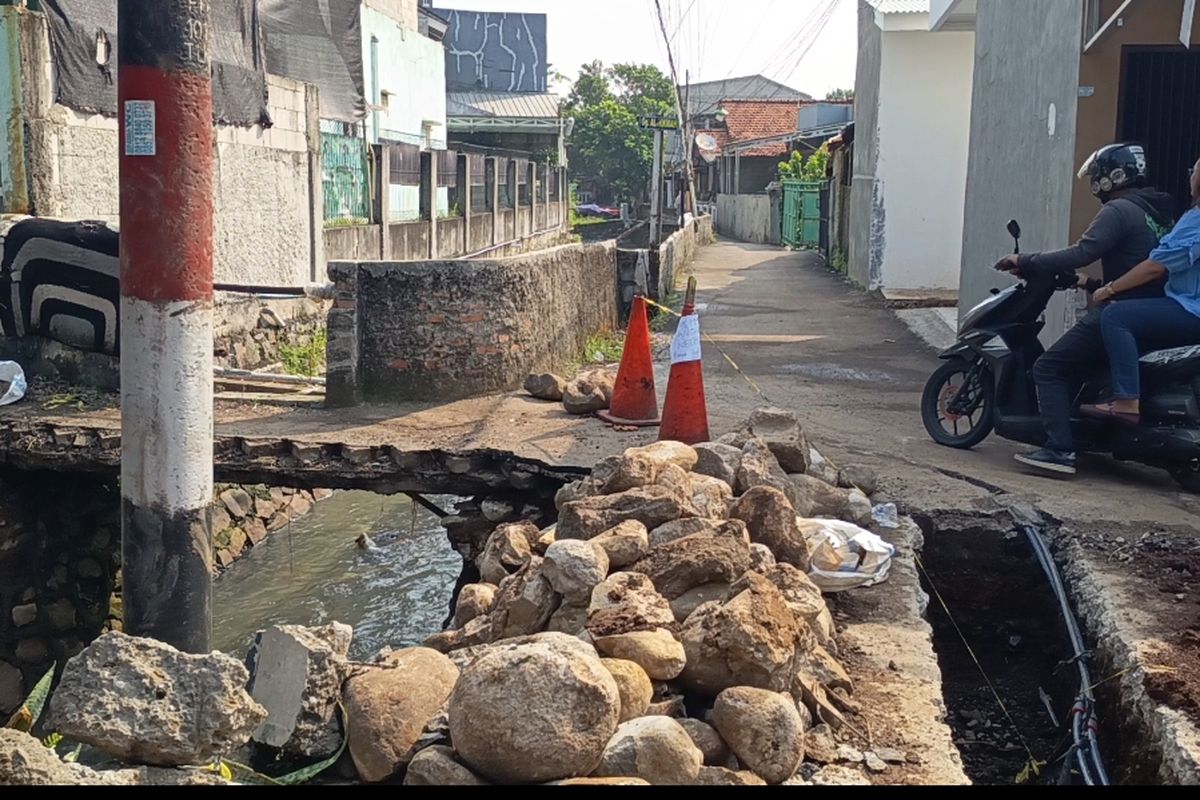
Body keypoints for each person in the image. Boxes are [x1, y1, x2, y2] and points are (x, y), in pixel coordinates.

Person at [995, 143, 1176, 476]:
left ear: (1113, 176)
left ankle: (1059, 450)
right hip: (1150, 310)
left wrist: (1025, 260)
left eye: (1098, 175)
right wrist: (1087, 284)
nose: (1095, 182)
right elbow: (1132, 268)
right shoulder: (1154, 213)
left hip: (1122, 313)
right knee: (1075, 366)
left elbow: (1082, 251)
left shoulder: (1118, 210)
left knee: (1048, 367)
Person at [1081, 154, 1200, 425]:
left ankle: (1126, 401)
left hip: (1190, 308)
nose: (1190, 176)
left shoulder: (1196, 219)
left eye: (1194, 171)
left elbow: (1156, 266)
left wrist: (1110, 289)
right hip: (1185, 306)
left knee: (1117, 316)